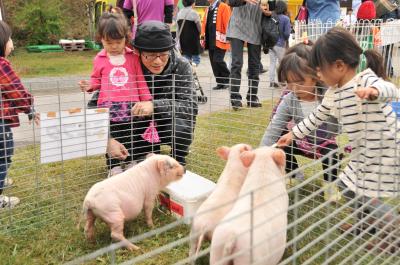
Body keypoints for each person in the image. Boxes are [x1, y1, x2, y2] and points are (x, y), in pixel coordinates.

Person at [277, 27, 400, 242]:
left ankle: (391, 225)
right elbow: (316, 118)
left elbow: (392, 90)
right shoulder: (333, 94)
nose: (318, 76)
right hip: (365, 151)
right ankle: (368, 225)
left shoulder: (365, 80)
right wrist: (293, 135)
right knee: (346, 186)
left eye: (320, 71)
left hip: (385, 149)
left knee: (365, 192)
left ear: (339, 66)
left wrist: (375, 92)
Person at [109, 20, 198, 166]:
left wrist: (154, 105)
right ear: (138, 52)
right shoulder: (123, 67)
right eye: (150, 55)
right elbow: (97, 105)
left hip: (166, 122)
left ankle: (178, 157)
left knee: (182, 126)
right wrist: (108, 139)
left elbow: (191, 106)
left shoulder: (182, 66)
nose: (157, 61)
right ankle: (130, 156)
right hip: (136, 124)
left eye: (163, 55)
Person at [261, 43, 341, 202]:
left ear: (316, 76)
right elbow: (274, 128)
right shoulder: (289, 100)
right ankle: (294, 174)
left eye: (300, 82)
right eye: (289, 83)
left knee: (333, 155)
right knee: (280, 143)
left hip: (325, 142)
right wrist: (260, 154)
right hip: (301, 140)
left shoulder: (328, 96)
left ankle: (330, 185)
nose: (295, 88)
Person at [79, 13, 153, 177]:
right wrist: (89, 86)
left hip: (131, 106)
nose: (113, 46)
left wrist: (147, 100)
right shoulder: (99, 59)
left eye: (118, 42)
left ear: (126, 38)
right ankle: (113, 166)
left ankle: (132, 160)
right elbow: (96, 80)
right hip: (109, 107)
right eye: (108, 42)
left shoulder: (133, 57)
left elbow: (140, 80)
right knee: (113, 136)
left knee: (132, 133)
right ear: (101, 39)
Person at [0, 21, 38, 209]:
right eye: (9, 39)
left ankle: (2, 178)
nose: (12, 43)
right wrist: (29, 108)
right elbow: (15, 91)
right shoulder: (1, 65)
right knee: (3, 155)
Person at [227, 0, 264, 110]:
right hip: (238, 25)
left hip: (256, 26)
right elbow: (230, 2)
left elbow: (273, 8)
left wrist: (269, 12)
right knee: (237, 63)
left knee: (254, 64)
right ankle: (235, 99)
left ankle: (252, 98)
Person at [201, 0, 232, 90]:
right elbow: (204, 23)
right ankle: (220, 82)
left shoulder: (224, 6)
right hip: (210, 39)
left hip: (220, 39)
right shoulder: (208, 8)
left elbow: (228, 23)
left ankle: (227, 79)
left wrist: (229, 37)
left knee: (218, 60)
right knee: (213, 62)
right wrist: (203, 36)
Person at [266, 0, 291, 88]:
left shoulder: (272, 16)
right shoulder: (286, 18)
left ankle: (272, 82)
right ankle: (283, 82)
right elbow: (287, 33)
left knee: (272, 63)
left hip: (270, 43)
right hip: (280, 44)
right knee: (283, 64)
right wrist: (285, 39)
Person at [177, 0, 202, 66]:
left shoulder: (179, 13)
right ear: (192, 3)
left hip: (183, 41)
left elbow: (178, 29)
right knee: (196, 60)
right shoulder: (194, 13)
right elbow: (200, 28)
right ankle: (193, 71)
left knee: (186, 59)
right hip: (193, 41)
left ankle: (188, 72)